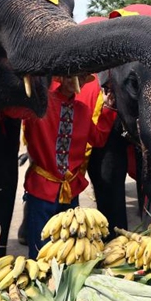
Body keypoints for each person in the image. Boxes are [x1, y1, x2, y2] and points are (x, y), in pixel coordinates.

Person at [21, 74, 116, 259]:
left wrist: (108, 108)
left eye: (81, 78)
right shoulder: (41, 105)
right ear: (61, 79)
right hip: (42, 190)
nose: (76, 81)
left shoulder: (83, 110)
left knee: (69, 249)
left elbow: (98, 139)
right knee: (40, 250)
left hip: (70, 191)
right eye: (72, 76)